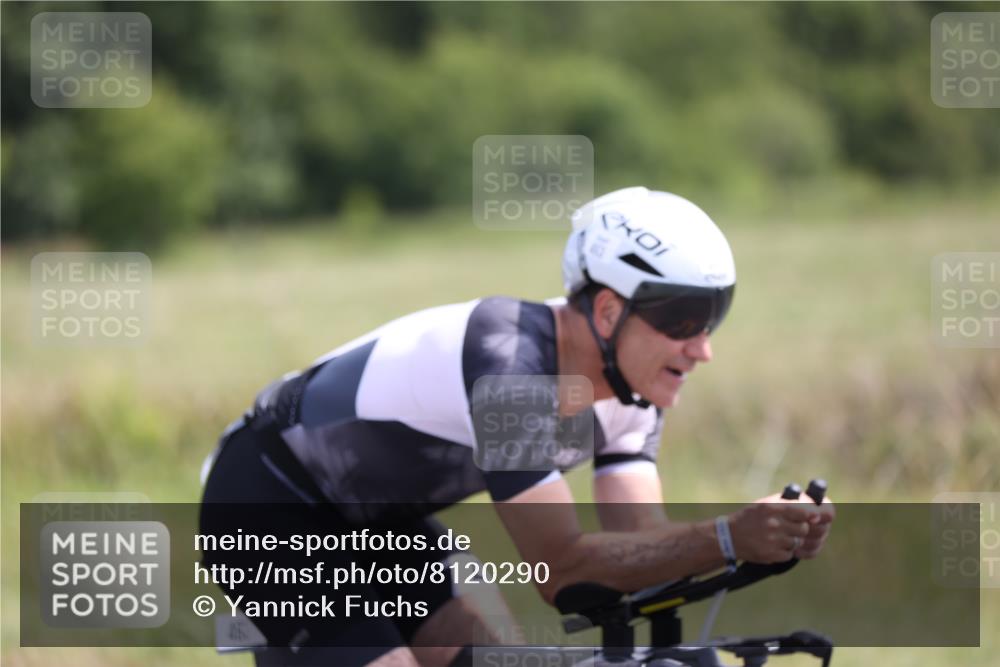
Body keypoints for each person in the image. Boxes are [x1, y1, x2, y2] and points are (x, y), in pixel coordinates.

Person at [199, 186, 834, 667]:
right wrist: (728, 536)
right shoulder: (508, 363)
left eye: (714, 319)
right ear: (608, 311)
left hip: (385, 524)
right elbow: (561, 570)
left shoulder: (634, 389)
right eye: (684, 322)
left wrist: (764, 540)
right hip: (267, 506)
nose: (702, 349)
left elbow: (641, 547)